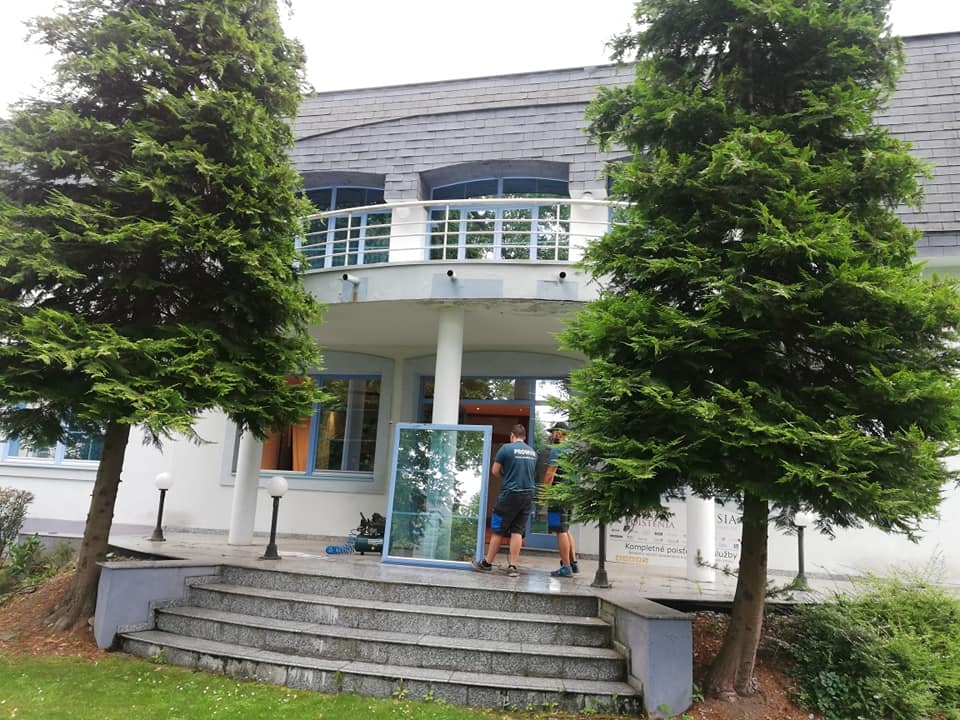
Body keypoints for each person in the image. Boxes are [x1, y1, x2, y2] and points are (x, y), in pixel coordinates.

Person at [472, 423, 537, 578]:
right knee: (517, 530)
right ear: (524, 437)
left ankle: (487, 563)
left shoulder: (506, 448)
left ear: (512, 436)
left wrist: (506, 476)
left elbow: (495, 470)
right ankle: (512, 566)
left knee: (498, 529)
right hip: (528, 495)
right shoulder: (532, 452)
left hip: (510, 494)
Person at [543, 421, 579, 577]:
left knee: (560, 530)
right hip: (570, 494)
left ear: (559, 433)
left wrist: (544, 494)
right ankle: (573, 562)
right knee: (566, 529)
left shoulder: (557, 449)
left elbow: (550, 474)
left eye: (553, 432)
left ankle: (566, 567)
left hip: (557, 496)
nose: (552, 435)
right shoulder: (573, 450)